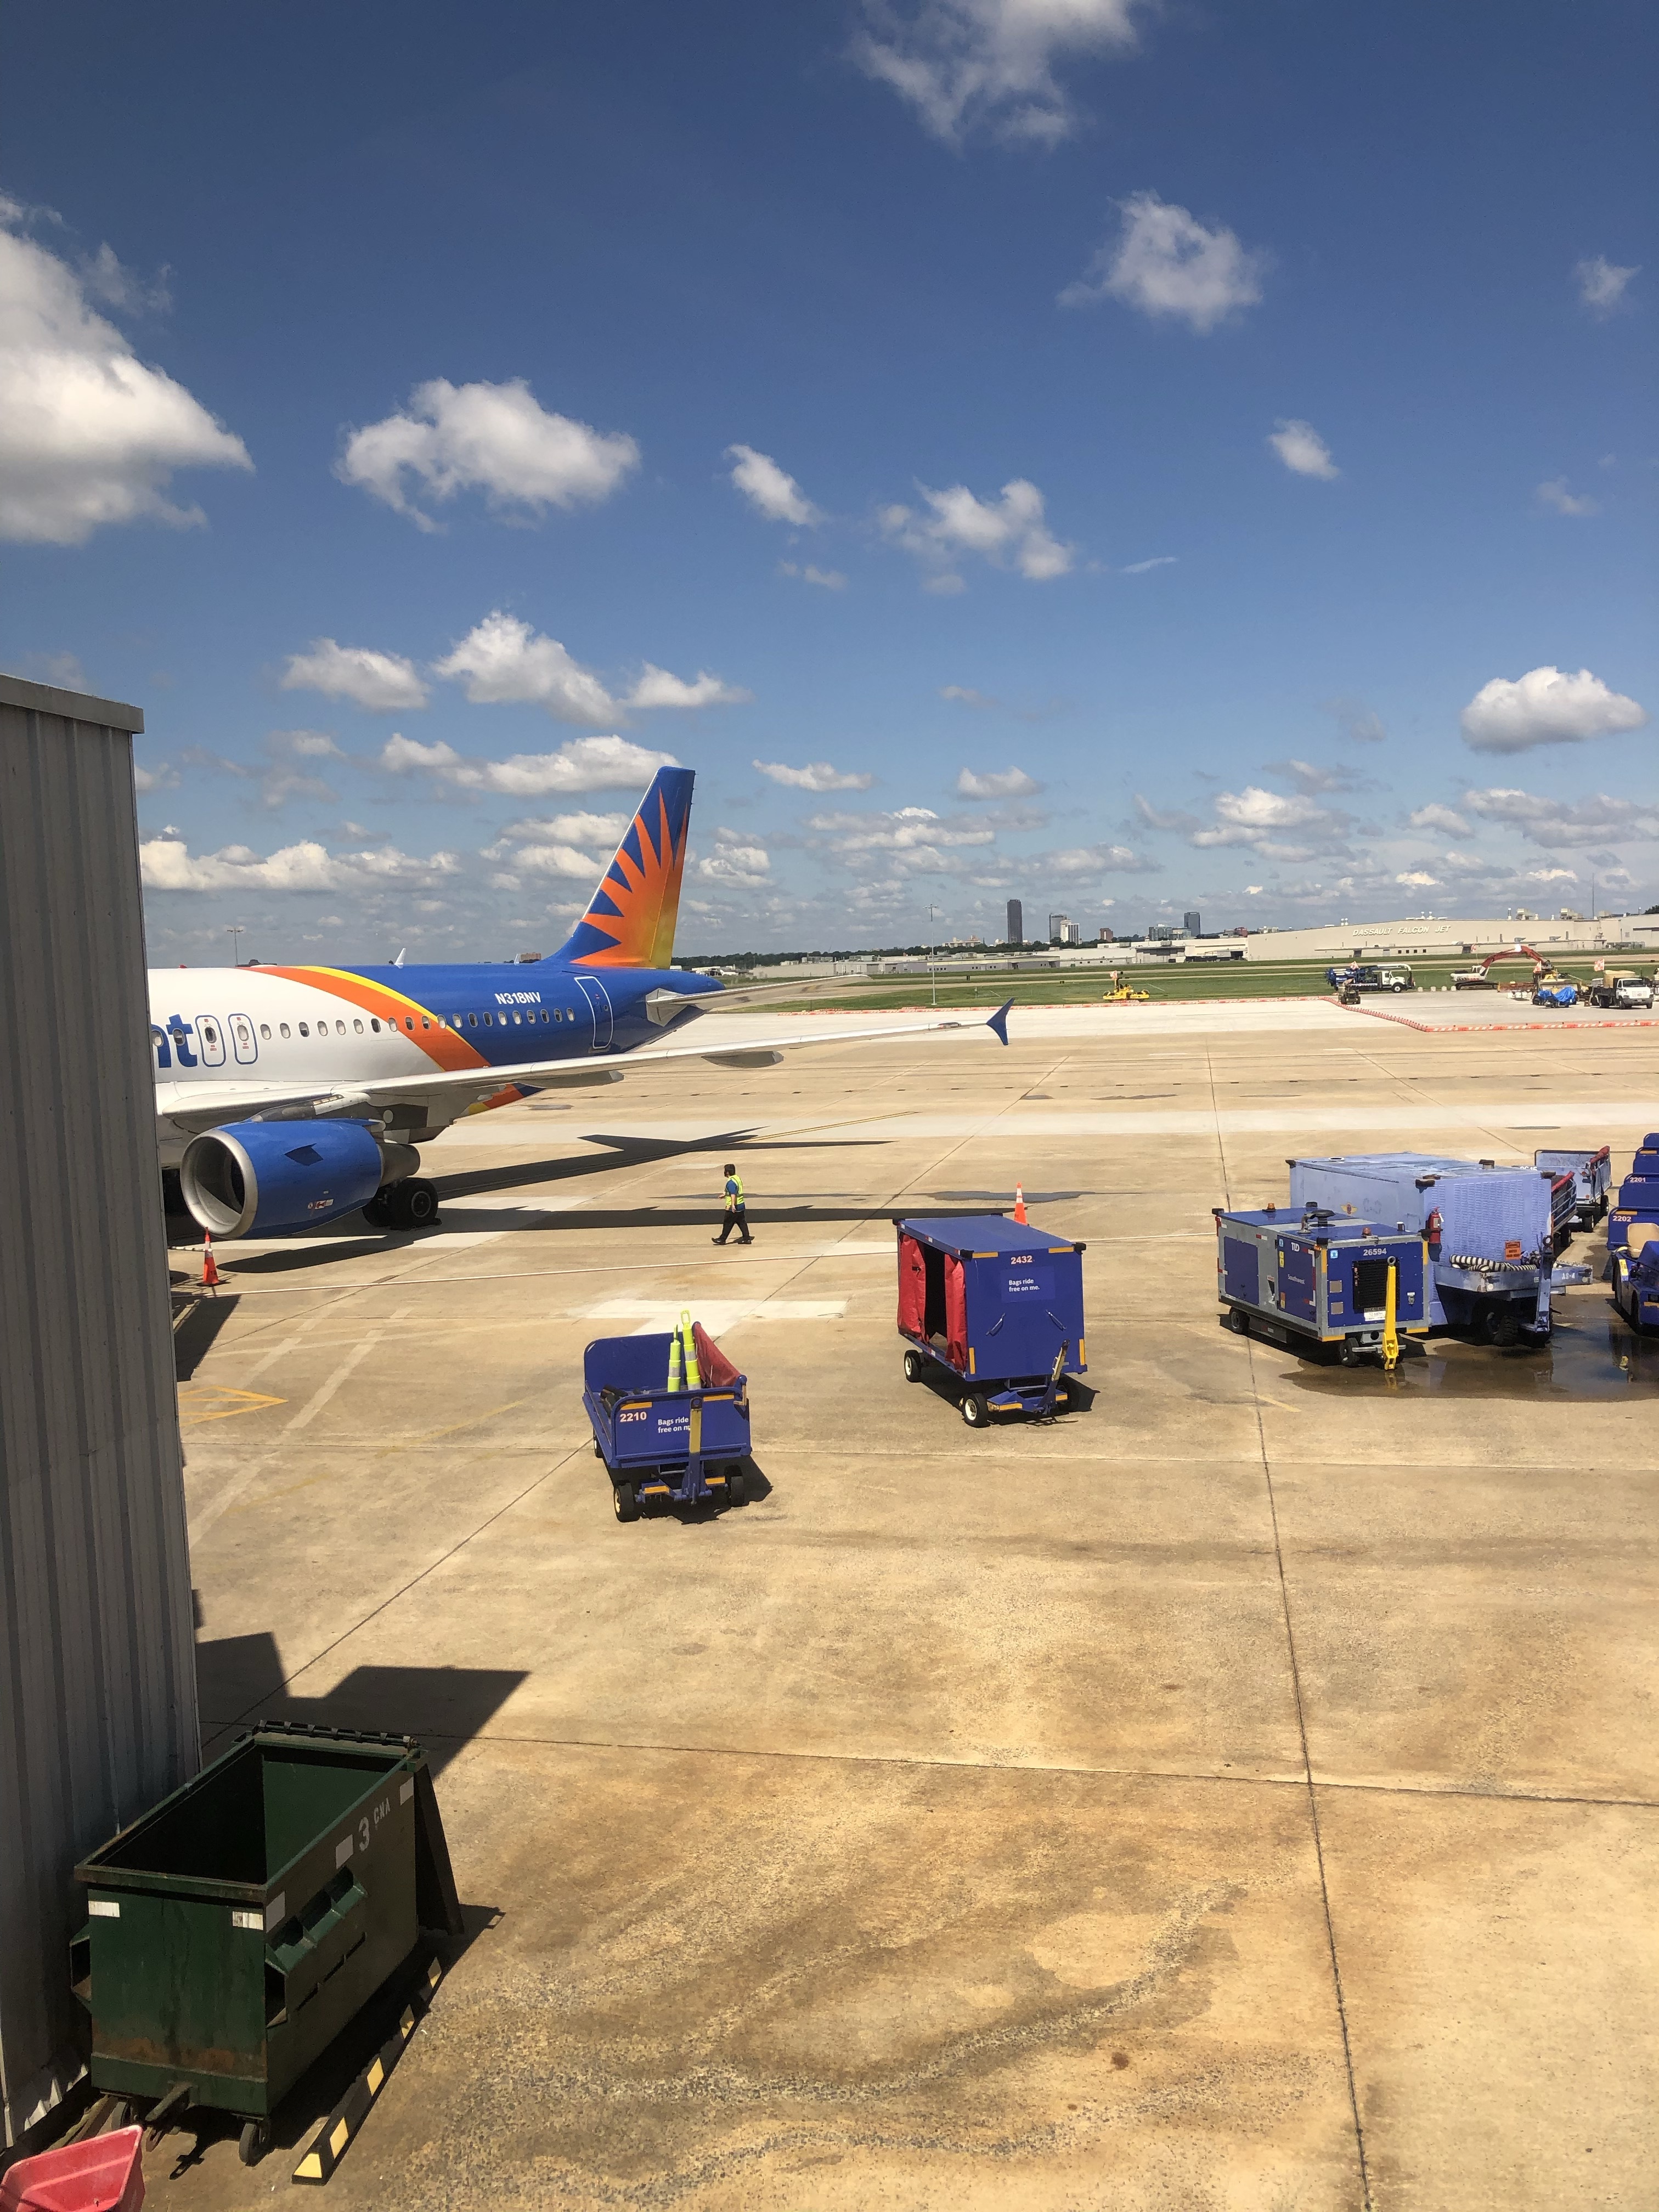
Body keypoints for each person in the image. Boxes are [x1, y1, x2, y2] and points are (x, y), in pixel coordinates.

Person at [712, 1161, 752, 1244]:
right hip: (741, 1205)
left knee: (728, 1223)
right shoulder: (737, 1178)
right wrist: (725, 1194)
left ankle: (722, 1239)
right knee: (741, 1222)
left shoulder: (731, 1182)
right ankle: (746, 1238)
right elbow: (734, 1191)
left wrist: (733, 1205)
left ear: (727, 1172)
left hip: (734, 1206)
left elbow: (733, 1194)